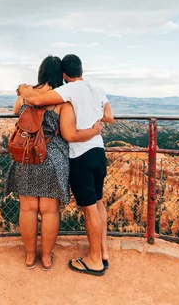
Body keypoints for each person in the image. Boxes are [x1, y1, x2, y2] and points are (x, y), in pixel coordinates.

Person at [18, 54, 114, 276]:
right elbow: (109, 116)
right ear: (82, 70)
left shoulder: (64, 93)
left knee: (29, 208)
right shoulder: (91, 91)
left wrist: (22, 89)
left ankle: (34, 256)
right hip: (86, 153)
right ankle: (98, 252)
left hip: (34, 156)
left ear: (65, 74)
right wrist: (95, 127)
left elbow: (33, 104)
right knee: (92, 205)